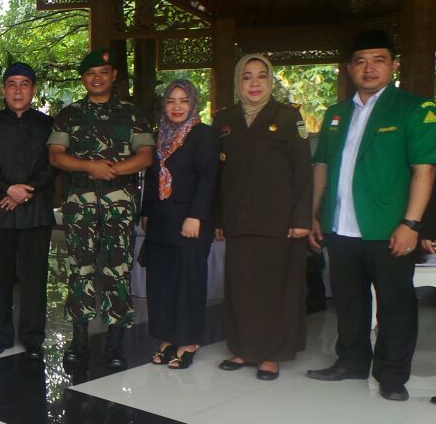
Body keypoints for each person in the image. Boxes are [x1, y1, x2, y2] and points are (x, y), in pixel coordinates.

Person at [307, 30, 436, 401]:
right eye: (360, 61)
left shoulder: (413, 108)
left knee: (395, 304)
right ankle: (352, 361)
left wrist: (411, 223)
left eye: (379, 60)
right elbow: (321, 166)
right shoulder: (336, 113)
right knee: (349, 301)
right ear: (349, 68)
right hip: (340, 226)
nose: (369, 68)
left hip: (389, 227)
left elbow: (424, 171)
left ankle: (392, 375)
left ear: (394, 65)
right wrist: (315, 213)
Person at [49, 49, 154, 370]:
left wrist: (112, 170)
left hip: (119, 205)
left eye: (103, 72)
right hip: (80, 206)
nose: (97, 78)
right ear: (83, 78)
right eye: (91, 73)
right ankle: (79, 341)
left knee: (117, 270)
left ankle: (114, 343)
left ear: (113, 76)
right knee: (79, 270)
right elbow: (56, 154)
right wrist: (88, 166)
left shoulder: (132, 114)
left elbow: (146, 154)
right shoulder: (70, 114)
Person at [213, 53, 311, 381]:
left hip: (279, 221)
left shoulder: (287, 117)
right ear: (238, 82)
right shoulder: (224, 120)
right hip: (238, 219)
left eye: (261, 76)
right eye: (247, 76)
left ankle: (271, 354)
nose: (254, 83)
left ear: (270, 81)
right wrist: (218, 219)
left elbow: (303, 171)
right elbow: (218, 175)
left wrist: (301, 218)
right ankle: (243, 348)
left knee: (275, 289)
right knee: (241, 287)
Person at [0, 62, 58, 359]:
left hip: (35, 212)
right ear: (3, 90)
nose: (18, 90)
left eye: (24, 84)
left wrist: (25, 191)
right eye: (12, 84)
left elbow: (52, 163)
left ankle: (33, 337)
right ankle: (0, 336)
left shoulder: (47, 125)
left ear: (33, 90)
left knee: (35, 278)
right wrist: (8, 188)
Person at [140, 79, 217, 369]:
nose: (177, 106)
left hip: (190, 222)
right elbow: (150, 178)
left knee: (188, 283)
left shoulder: (204, 135)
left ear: (193, 103)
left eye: (183, 100)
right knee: (162, 283)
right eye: (171, 100)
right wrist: (146, 212)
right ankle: (167, 337)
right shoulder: (159, 136)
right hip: (161, 221)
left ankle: (188, 340)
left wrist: (196, 216)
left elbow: (209, 178)